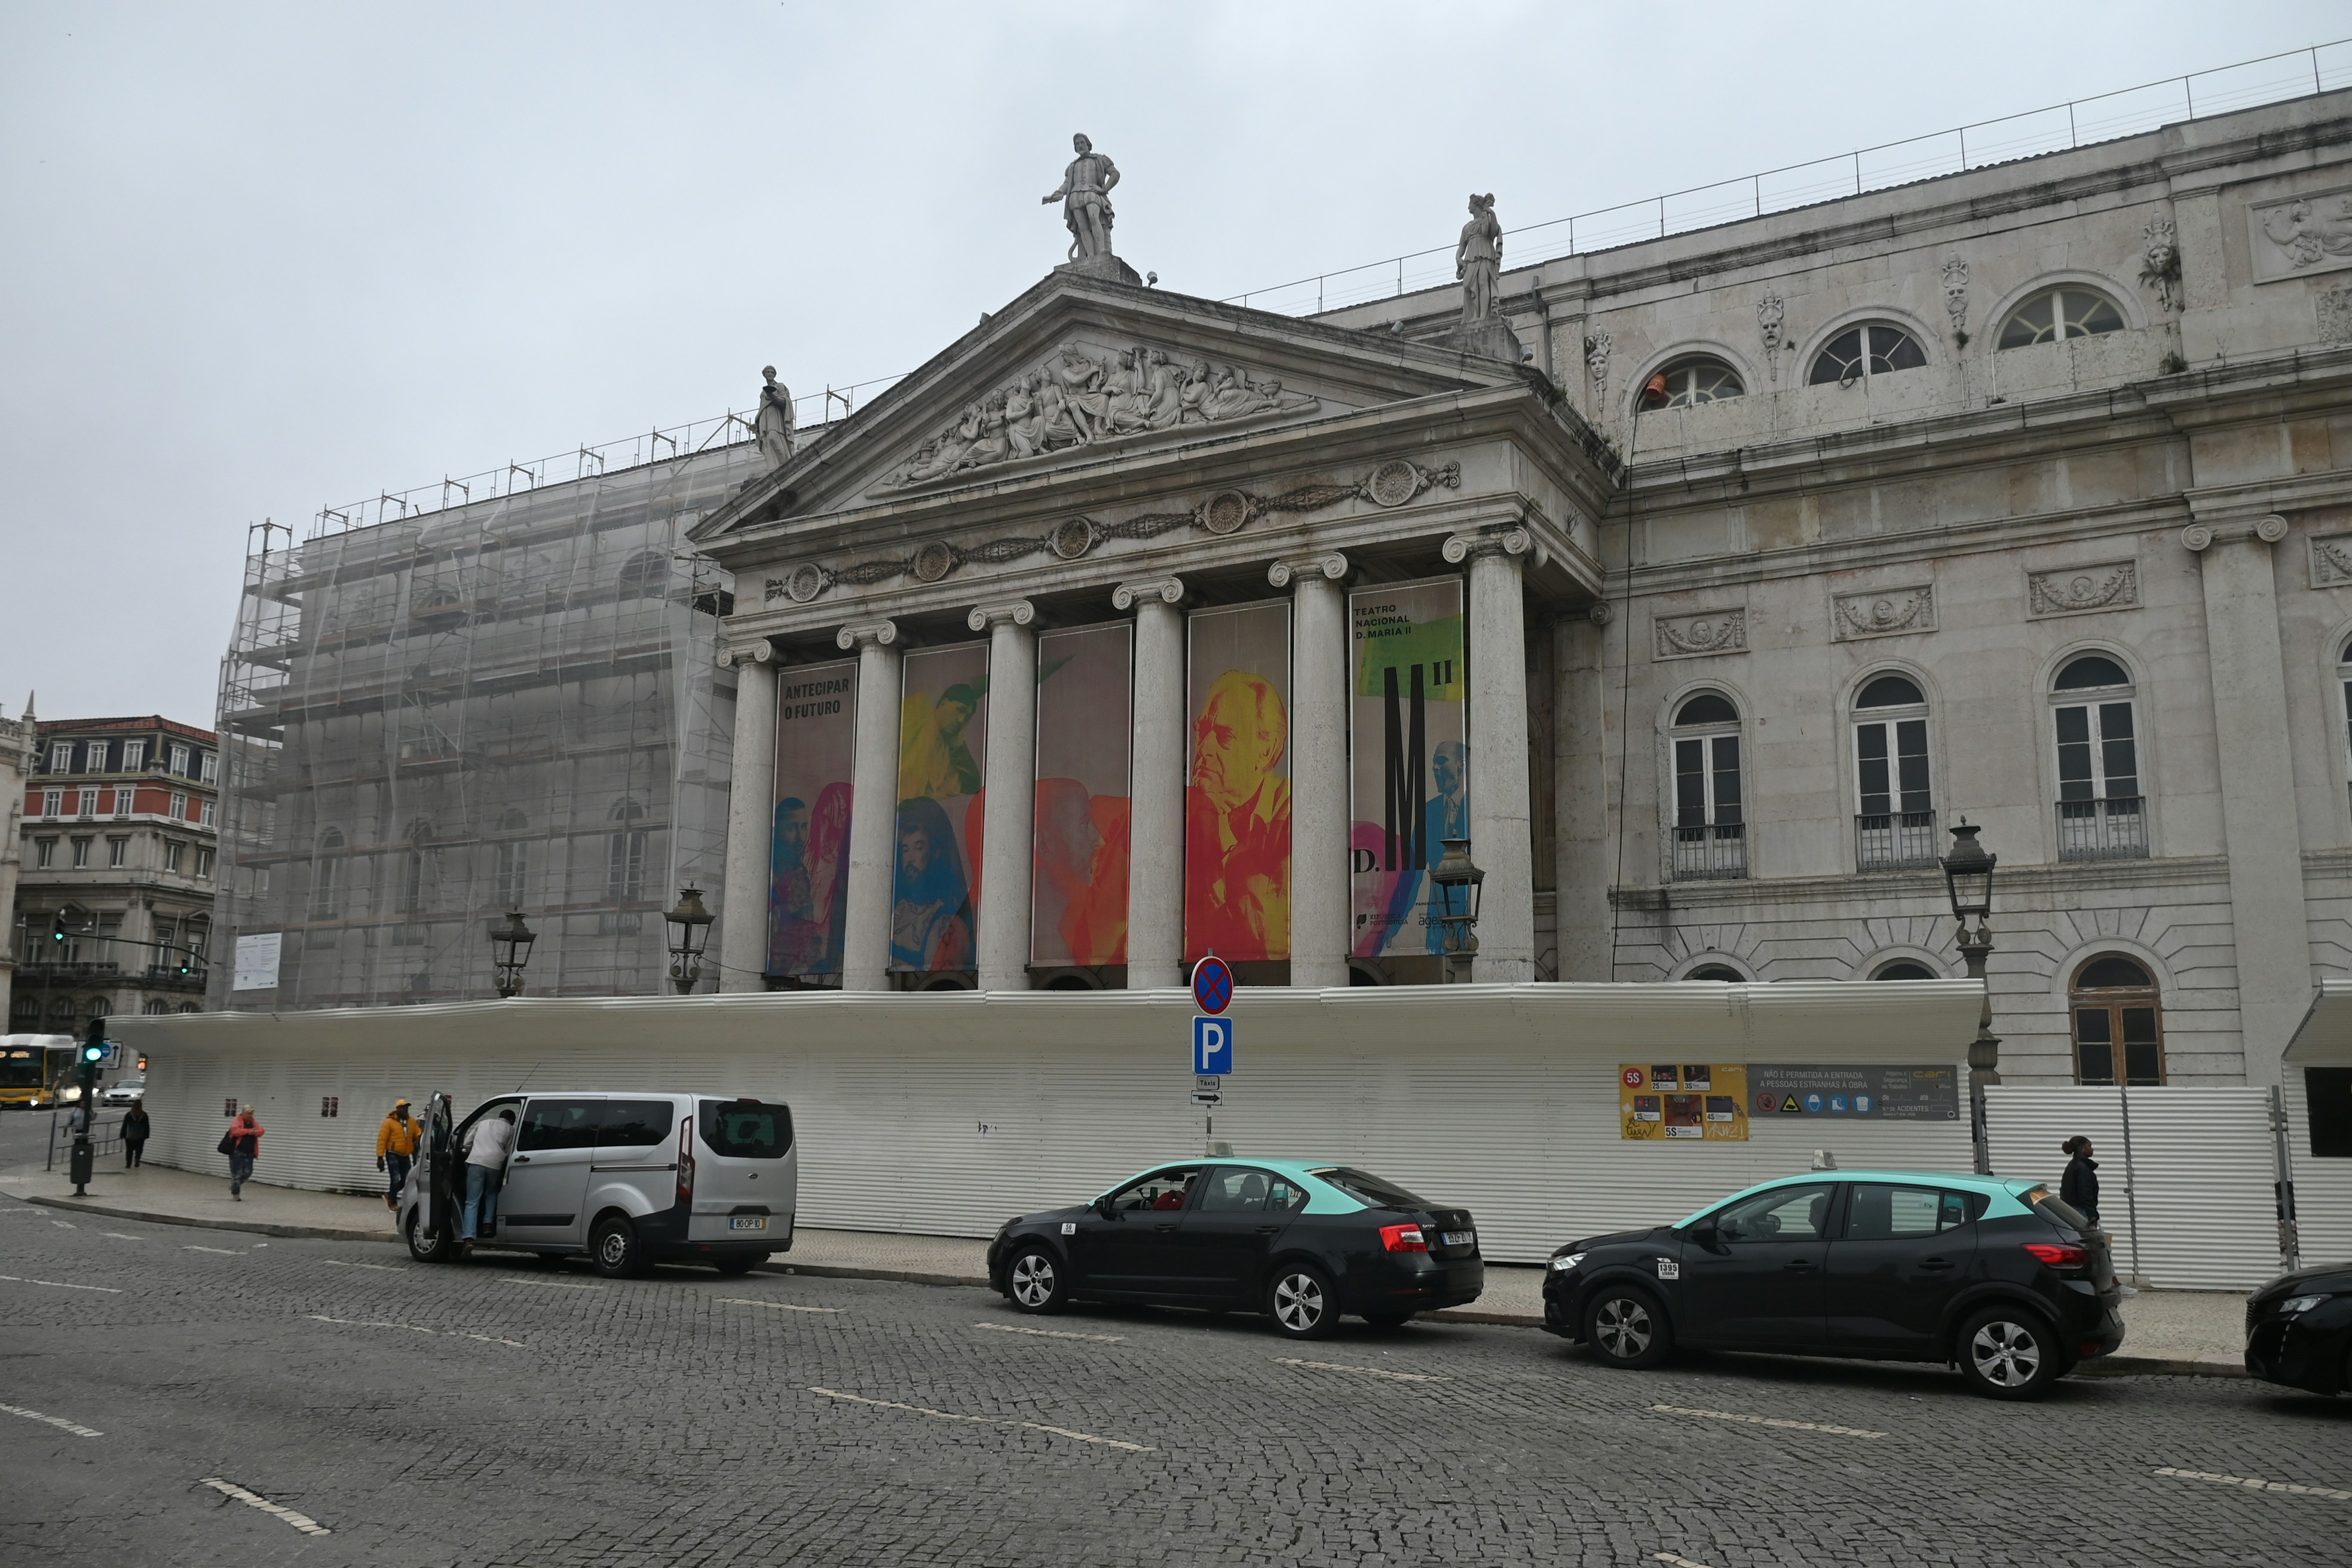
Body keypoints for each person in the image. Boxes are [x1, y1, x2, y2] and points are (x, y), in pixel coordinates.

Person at [1185, 669, 1293, 960]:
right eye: (1201, 731)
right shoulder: (1183, 812)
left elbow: (1273, 942)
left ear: (1266, 750)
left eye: (1224, 736)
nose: (1203, 749)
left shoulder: (1296, 814)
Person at [460, 1107, 517, 1244]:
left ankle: (469, 1237)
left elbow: (467, 1144)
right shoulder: (511, 1130)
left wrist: (469, 1151)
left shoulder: (483, 1123)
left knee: (472, 1201)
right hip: (495, 1165)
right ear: (511, 1121)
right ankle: (488, 1224)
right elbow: (509, 1152)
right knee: (491, 1194)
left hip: (476, 1163)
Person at [375, 1098, 421, 1212]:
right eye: (403, 1107)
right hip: (393, 1154)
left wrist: (418, 1138)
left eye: (407, 1107)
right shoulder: (389, 1123)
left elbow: (418, 1132)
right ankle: (393, 1203)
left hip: (405, 1155)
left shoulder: (412, 1121)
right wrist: (380, 1157)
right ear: (397, 1109)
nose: (405, 1109)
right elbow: (382, 1140)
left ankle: (389, 1195)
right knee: (395, 1178)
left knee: (407, 1179)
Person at [220, 1105, 265, 1200]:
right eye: (248, 1114)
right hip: (237, 1152)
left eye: (252, 1114)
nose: (250, 1116)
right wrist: (249, 1132)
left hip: (250, 1152)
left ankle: (234, 1187)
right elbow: (235, 1131)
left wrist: (255, 1132)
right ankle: (236, 1196)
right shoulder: (237, 1121)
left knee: (248, 1172)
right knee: (236, 1174)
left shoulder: (253, 1122)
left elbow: (261, 1131)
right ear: (243, 1113)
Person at [2060, 1135, 2102, 1226]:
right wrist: (2092, 1215)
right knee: (2096, 1237)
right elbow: (2085, 1193)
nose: (2092, 1149)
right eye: (2090, 1146)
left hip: (2074, 1210)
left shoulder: (2073, 1165)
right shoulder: (2082, 1168)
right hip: (2082, 1211)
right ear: (2082, 1148)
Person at [121, 1098, 150, 1168]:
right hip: (140, 1136)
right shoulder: (144, 1115)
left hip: (130, 1136)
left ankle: (128, 1164)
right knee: (139, 1149)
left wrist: (123, 1135)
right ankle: (137, 1159)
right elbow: (147, 1126)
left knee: (129, 1151)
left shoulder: (129, 1115)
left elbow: (125, 1125)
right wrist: (146, 1135)